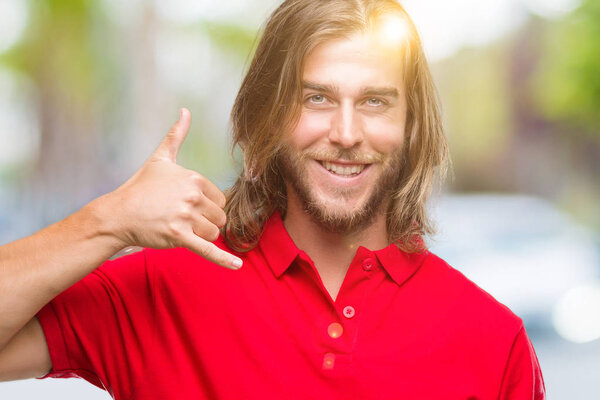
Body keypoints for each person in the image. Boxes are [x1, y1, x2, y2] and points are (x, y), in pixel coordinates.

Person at [0, 0, 545, 399]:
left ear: (413, 125)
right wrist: (107, 219)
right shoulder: (156, 289)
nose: (347, 132)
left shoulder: (493, 341)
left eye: (376, 101)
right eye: (317, 98)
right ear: (266, 116)